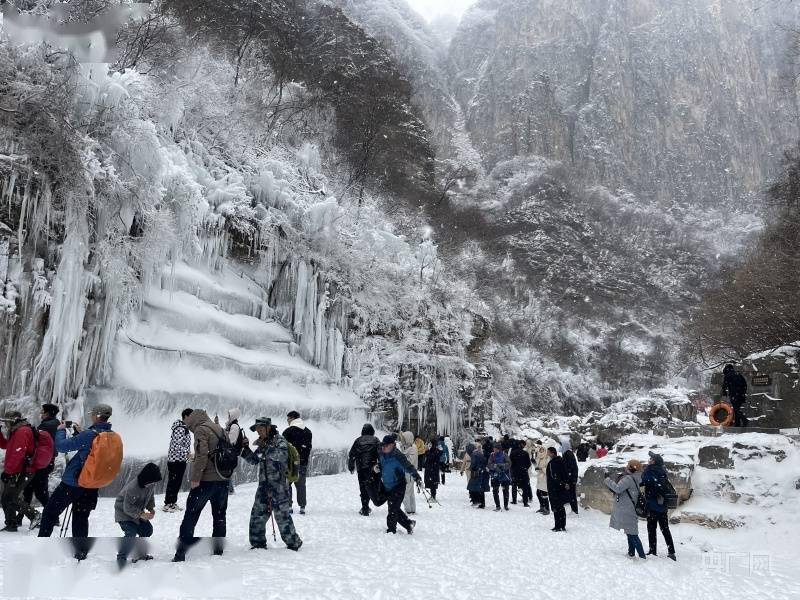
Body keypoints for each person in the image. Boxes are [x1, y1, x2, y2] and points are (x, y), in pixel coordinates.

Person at [38, 404, 116, 552]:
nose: (91, 416)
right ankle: (80, 551)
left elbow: (61, 447)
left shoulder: (89, 435)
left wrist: (60, 431)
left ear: (97, 416)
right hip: (92, 484)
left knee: (49, 513)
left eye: (92, 414)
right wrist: (80, 434)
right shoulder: (109, 435)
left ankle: (42, 547)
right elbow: (91, 452)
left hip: (73, 483)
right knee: (81, 517)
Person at [173, 409, 231, 561]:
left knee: (191, 514)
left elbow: (202, 455)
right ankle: (218, 550)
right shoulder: (220, 429)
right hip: (223, 480)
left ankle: (180, 553)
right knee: (219, 515)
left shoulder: (200, 429)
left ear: (192, 420)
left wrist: (195, 478)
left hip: (206, 481)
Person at [240, 418, 302, 551]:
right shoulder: (264, 442)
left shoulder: (280, 441)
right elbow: (255, 460)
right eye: (257, 430)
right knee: (257, 515)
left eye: (261, 430)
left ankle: (294, 542)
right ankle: (257, 543)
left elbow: (281, 456)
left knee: (282, 518)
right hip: (263, 487)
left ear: (269, 428)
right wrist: (244, 449)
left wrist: (265, 447)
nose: (259, 433)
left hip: (279, 488)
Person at [1, 411, 43, 531]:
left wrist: (8, 471)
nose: (6, 425)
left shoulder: (22, 431)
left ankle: (35, 515)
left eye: (7, 422)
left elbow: (18, 453)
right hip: (18, 469)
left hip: (23, 470)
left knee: (10, 497)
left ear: (14, 420)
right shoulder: (17, 430)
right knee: (6, 497)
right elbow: (6, 445)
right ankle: (11, 523)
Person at [115, 462, 162, 568]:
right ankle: (121, 557)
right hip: (123, 512)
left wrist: (151, 508)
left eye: (154, 482)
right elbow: (127, 508)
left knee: (147, 530)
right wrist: (141, 514)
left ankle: (140, 554)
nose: (153, 484)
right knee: (131, 532)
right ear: (146, 478)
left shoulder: (151, 484)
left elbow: (150, 497)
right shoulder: (132, 488)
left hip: (137, 512)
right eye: (152, 482)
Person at [378, 435, 421, 534]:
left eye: (386, 446)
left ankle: (391, 530)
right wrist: (377, 468)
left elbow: (408, 466)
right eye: (383, 445)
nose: (383, 447)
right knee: (395, 508)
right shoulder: (381, 454)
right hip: (387, 486)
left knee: (392, 510)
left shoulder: (398, 456)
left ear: (393, 445)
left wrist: (416, 476)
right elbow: (381, 465)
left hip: (398, 485)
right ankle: (408, 524)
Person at [604, 459, 646, 559]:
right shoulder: (636, 477)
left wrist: (607, 479)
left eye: (628, 466)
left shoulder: (628, 479)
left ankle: (642, 556)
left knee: (633, 534)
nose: (626, 467)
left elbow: (618, 488)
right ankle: (631, 553)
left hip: (627, 509)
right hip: (629, 508)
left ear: (631, 468)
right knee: (630, 531)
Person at [23, 403, 60, 513]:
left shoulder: (46, 426)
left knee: (36, 491)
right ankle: (21, 517)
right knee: (33, 489)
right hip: (47, 461)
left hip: (42, 463)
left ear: (48, 413)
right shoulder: (56, 424)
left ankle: (52, 516)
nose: (40, 414)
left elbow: (35, 439)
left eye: (42, 412)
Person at [642, 451, 676, 561]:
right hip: (663, 506)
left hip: (653, 505)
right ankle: (671, 552)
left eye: (651, 459)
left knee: (652, 529)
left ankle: (653, 551)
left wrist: (646, 469)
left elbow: (643, 481)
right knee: (665, 529)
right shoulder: (662, 470)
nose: (649, 461)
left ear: (654, 461)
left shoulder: (650, 470)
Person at [164, 409, 194, 512]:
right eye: (192, 416)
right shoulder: (181, 429)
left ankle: (170, 503)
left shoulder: (182, 428)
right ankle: (169, 504)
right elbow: (177, 445)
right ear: (186, 416)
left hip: (176, 459)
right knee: (174, 482)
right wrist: (187, 453)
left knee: (174, 482)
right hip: (177, 460)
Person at [283, 410, 312, 515]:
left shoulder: (288, 431)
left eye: (288, 418)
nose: (287, 420)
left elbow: (283, 448)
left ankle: (289, 506)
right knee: (301, 485)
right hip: (302, 463)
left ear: (292, 418)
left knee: (287, 484)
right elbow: (308, 448)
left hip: (289, 463)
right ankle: (302, 506)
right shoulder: (308, 432)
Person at [348, 424, 380, 516]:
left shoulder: (358, 440)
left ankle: (365, 507)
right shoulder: (375, 440)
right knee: (371, 486)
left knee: (363, 487)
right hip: (372, 468)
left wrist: (351, 466)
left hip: (361, 467)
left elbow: (352, 454)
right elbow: (381, 453)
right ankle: (371, 503)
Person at [545, 447, 568, 531]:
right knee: (561, 507)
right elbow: (565, 474)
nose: (547, 453)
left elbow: (554, 476)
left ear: (552, 453)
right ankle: (563, 525)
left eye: (548, 452)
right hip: (561, 488)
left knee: (556, 507)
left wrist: (556, 485)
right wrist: (564, 484)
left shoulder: (552, 463)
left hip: (554, 488)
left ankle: (558, 526)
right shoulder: (561, 461)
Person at [722, 364, 749, 428]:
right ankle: (737, 423)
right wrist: (743, 392)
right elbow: (745, 384)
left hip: (734, 394)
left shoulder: (727, 376)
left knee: (736, 408)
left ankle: (744, 419)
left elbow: (724, 385)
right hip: (741, 394)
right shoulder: (738, 374)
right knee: (737, 408)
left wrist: (724, 392)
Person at [224, 408, 243, 495]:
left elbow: (231, 440)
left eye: (229, 415)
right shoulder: (232, 425)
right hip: (231, 452)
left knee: (227, 470)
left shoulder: (234, 426)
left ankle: (230, 490)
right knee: (227, 470)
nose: (228, 417)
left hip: (231, 452)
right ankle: (230, 489)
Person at [398, 431, 418, 514]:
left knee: (406, 492)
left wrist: (401, 457)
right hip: (408, 473)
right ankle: (412, 509)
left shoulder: (413, 448)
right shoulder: (408, 447)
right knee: (410, 492)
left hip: (409, 474)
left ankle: (409, 510)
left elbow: (409, 461)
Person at [488, 442, 511, 511]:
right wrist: (494, 467)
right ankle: (497, 506)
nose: (494, 450)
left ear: (499, 449)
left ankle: (506, 506)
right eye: (493, 448)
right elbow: (489, 464)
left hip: (504, 475)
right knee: (495, 491)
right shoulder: (492, 455)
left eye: (495, 449)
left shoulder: (504, 454)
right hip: (495, 476)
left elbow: (509, 463)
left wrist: (502, 466)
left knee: (505, 491)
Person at [510, 440, 532, 507]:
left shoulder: (513, 453)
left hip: (515, 472)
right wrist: (524, 468)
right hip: (523, 472)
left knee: (514, 486)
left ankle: (514, 500)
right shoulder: (525, 453)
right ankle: (525, 502)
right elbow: (529, 463)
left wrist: (513, 469)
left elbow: (510, 463)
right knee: (525, 487)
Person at [467, 443, 489, 508]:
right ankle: (482, 503)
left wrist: (470, 468)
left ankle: (476, 501)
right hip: (482, 472)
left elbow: (473, 464)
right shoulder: (480, 453)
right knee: (481, 488)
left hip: (476, 473)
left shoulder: (473, 454)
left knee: (472, 487)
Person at [562, 440, 579, 514]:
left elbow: (571, 467)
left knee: (572, 494)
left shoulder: (568, 454)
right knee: (570, 494)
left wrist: (571, 478)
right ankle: (573, 509)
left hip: (571, 478)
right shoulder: (567, 453)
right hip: (571, 477)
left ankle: (574, 510)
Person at [534, 442, 551, 515]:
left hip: (545, 478)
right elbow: (537, 467)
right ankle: (542, 507)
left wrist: (541, 469)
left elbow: (548, 470)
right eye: (540, 450)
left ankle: (547, 509)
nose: (541, 451)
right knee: (538, 493)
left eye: (542, 450)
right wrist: (536, 467)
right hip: (540, 478)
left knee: (544, 494)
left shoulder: (547, 458)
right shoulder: (539, 458)